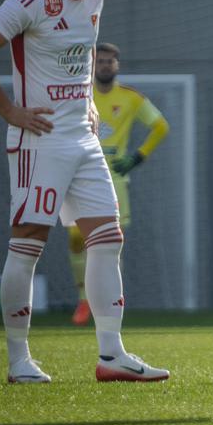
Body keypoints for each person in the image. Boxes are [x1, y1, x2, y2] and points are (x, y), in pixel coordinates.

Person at [0, 0, 170, 383]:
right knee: (28, 244)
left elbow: (85, 47)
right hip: (40, 140)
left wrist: (89, 100)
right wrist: (10, 112)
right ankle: (19, 361)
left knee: (109, 239)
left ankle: (111, 356)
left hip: (83, 140)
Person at [67, 42, 170, 325]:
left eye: (110, 61)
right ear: (92, 64)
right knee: (77, 238)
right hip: (78, 175)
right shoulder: (79, 95)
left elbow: (161, 126)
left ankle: (111, 301)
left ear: (117, 65)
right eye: (100, 61)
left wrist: (137, 157)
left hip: (114, 178)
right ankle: (84, 299)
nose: (105, 66)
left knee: (113, 242)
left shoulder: (130, 98)